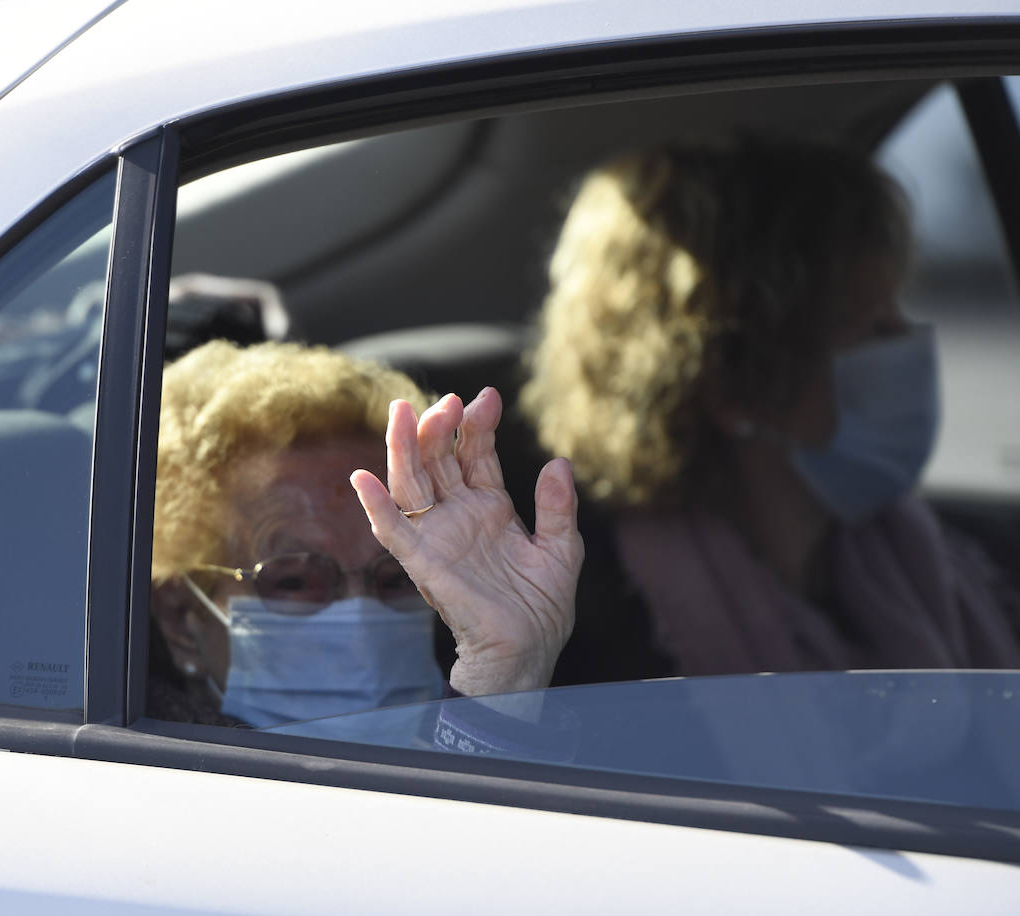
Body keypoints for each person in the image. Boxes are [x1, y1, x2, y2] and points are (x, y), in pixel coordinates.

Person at [356, 135, 1020, 695]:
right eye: (872, 326)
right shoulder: (601, 639)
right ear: (735, 375)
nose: (911, 343)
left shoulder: (927, 561)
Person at [146, 339, 582, 725]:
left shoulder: (532, 735)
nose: (360, 619)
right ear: (182, 619)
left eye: (397, 578)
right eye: (295, 580)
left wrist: (504, 668)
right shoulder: (139, 782)